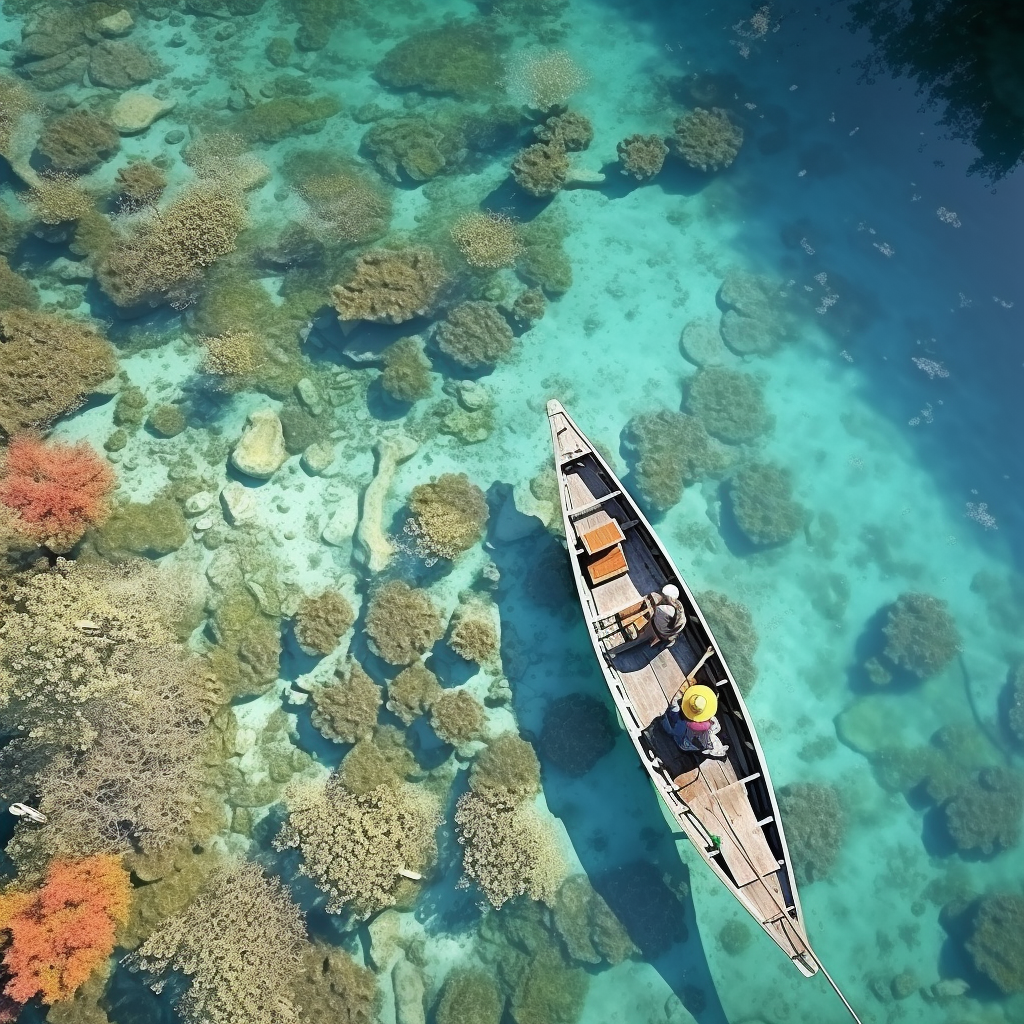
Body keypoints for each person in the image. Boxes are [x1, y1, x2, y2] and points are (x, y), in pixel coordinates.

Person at [662, 684, 728, 758]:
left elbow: (673, 708)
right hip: (685, 745)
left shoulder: (678, 717)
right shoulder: (708, 726)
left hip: (677, 738)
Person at [646, 583, 686, 647]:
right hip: (674, 629)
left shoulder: (662, 609)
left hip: (660, 630)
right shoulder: (679, 605)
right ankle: (669, 638)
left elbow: (652, 611)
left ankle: (658, 639)